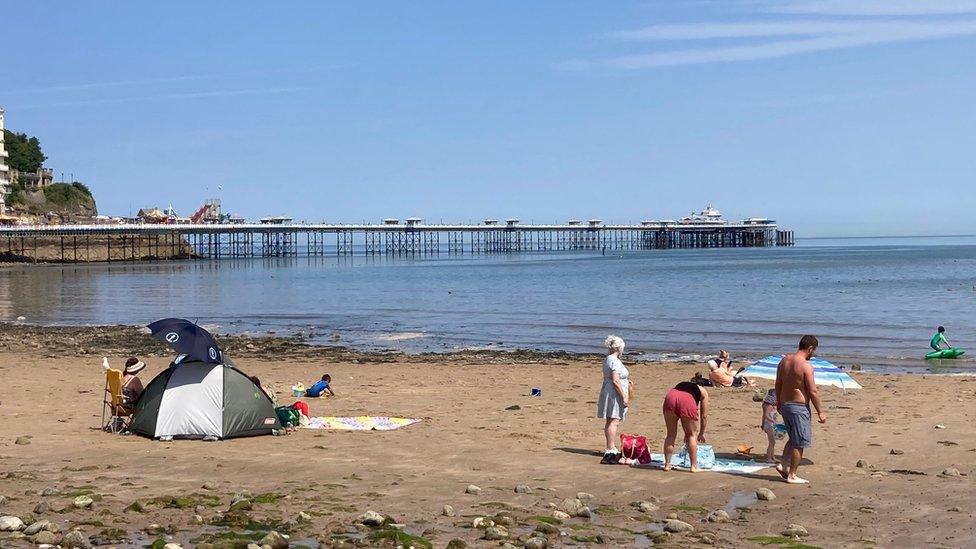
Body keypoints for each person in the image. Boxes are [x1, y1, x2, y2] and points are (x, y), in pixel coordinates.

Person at [774, 335, 827, 484]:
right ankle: (792, 474)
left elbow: (778, 383)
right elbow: (812, 391)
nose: (813, 354)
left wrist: (778, 401)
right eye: (814, 351)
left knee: (793, 437)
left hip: (785, 404)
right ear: (810, 349)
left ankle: (783, 465)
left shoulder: (784, 361)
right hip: (798, 407)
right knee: (800, 442)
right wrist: (820, 411)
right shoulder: (805, 366)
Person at [662, 380, 709, 472]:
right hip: (687, 400)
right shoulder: (703, 391)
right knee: (692, 435)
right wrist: (701, 433)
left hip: (671, 396)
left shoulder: (682, 384)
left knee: (670, 435)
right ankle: (693, 466)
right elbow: (704, 415)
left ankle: (667, 464)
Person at [597, 335, 631, 464]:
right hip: (614, 392)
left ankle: (610, 446)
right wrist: (623, 398)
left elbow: (615, 378)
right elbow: (615, 380)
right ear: (619, 348)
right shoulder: (614, 361)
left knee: (610, 419)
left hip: (609, 389)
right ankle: (610, 447)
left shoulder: (608, 359)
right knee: (614, 419)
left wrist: (627, 382)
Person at [761, 388, 780, 463]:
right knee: (772, 442)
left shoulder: (771, 406)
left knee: (773, 442)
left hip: (769, 424)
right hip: (769, 425)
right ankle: (769, 458)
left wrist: (762, 424)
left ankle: (773, 457)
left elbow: (763, 416)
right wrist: (774, 421)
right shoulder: (768, 406)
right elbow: (766, 415)